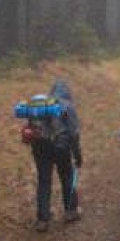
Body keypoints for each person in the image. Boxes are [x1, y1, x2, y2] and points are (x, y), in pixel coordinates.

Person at [27, 78, 83, 232]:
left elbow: (31, 128)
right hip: (60, 147)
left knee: (44, 180)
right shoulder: (67, 106)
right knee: (67, 176)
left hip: (40, 147)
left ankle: (42, 220)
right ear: (67, 92)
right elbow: (73, 133)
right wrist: (77, 155)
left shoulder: (40, 105)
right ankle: (71, 211)